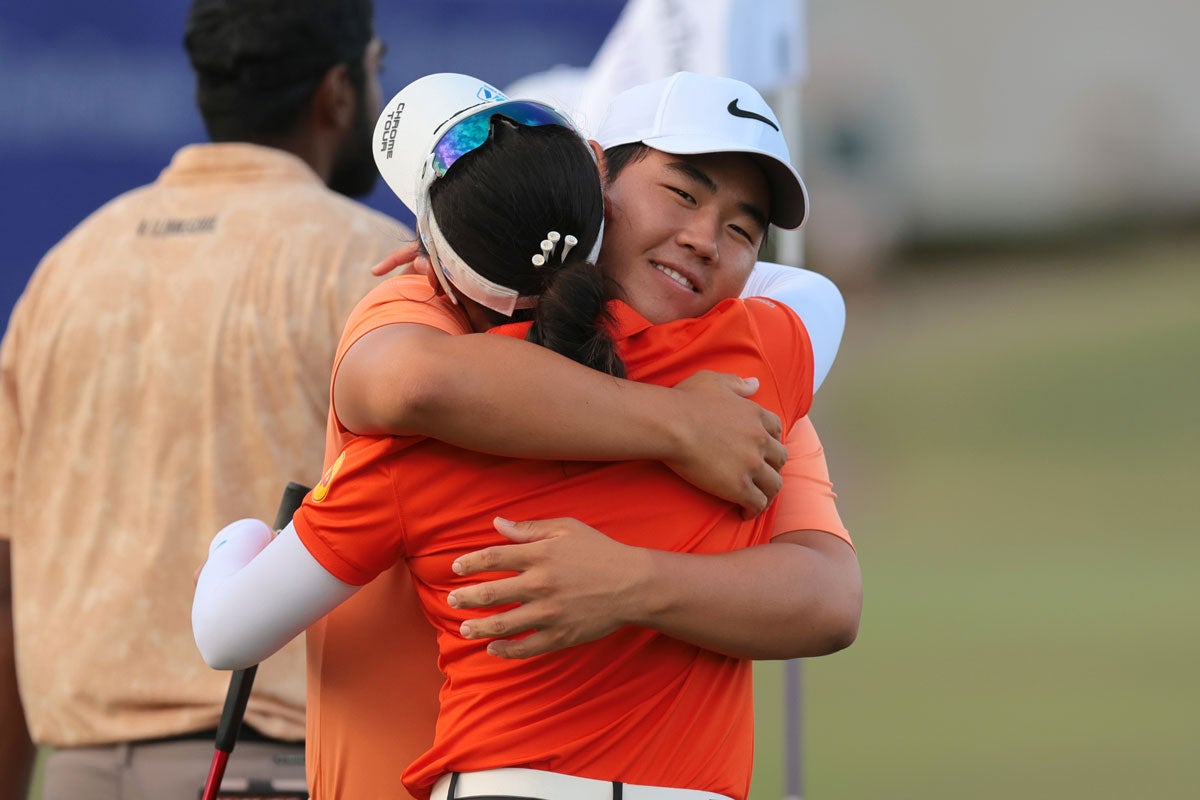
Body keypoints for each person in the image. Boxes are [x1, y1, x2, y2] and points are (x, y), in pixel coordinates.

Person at [194, 73, 860, 800]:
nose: (705, 239)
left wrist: (238, 539)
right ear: (593, 177)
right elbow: (814, 298)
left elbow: (228, 632)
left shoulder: (428, 429)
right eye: (683, 193)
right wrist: (679, 424)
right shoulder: (750, 371)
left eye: (741, 229)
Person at [0, 1, 405, 798]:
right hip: (282, 771)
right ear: (338, 91)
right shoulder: (376, 271)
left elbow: (7, 584)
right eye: (376, 67)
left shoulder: (63, 273)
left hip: (75, 774)